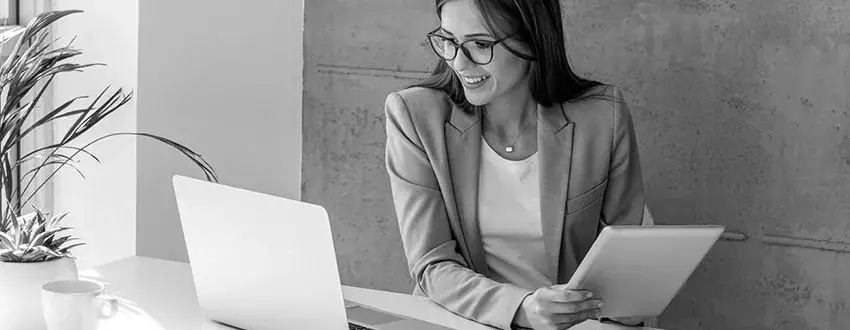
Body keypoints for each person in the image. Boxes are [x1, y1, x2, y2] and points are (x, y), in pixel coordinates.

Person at [383, 0, 648, 329]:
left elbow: (624, 261)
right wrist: (521, 308)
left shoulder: (603, 117)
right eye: (449, 40)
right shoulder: (416, 116)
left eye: (481, 45)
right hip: (458, 320)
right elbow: (432, 264)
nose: (459, 62)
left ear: (533, 41)